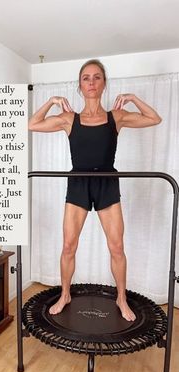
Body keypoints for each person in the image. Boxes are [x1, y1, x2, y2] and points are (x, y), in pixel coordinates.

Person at [28, 59, 161, 321]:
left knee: (117, 247)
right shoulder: (69, 119)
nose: (91, 82)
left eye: (97, 77)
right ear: (80, 85)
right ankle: (65, 294)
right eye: (86, 78)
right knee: (68, 245)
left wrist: (133, 97)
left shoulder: (116, 116)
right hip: (78, 182)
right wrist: (52, 101)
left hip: (107, 183)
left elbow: (154, 119)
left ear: (103, 84)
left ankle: (121, 298)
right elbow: (32, 124)